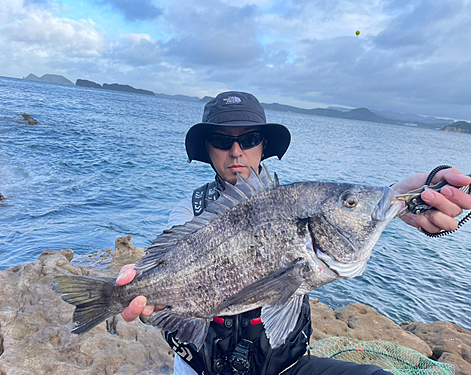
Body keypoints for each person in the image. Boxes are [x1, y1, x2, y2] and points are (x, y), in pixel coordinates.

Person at [116, 91, 471, 375]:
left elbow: (352, 210)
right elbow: (164, 276)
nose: (236, 150)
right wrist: (143, 291)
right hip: (202, 368)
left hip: (285, 366)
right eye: (222, 140)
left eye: (250, 138)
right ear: (207, 149)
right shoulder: (188, 214)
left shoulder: (298, 204)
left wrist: (412, 199)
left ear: (264, 146)